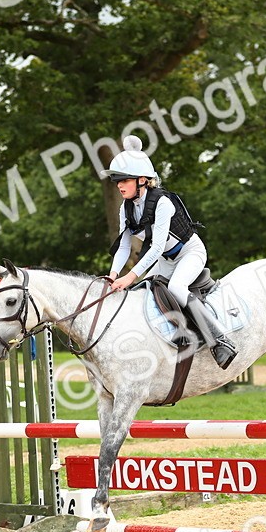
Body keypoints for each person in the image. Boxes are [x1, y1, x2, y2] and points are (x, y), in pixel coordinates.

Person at [105, 135, 237, 369]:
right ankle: (177, 334)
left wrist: (130, 275)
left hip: (189, 252)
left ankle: (220, 340)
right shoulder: (125, 208)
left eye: (124, 180)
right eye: (117, 180)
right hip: (166, 259)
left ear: (143, 180)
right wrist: (113, 275)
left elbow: (156, 247)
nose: (119, 185)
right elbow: (124, 245)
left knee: (176, 287)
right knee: (141, 290)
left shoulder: (163, 203)